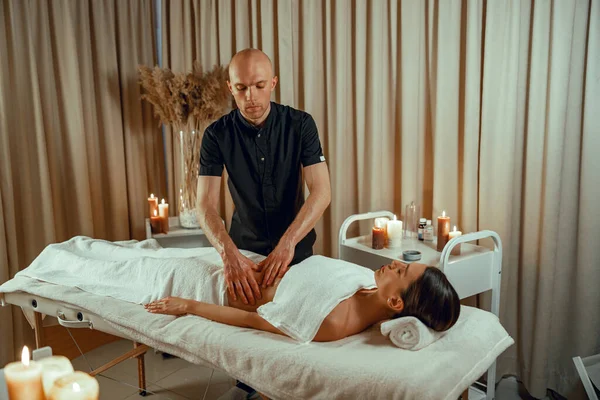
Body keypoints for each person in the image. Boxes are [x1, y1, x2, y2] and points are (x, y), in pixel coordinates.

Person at [196, 48, 331, 310]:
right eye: (241, 88)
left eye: (259, 86)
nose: (251, 97)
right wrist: (228, 253)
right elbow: (205, 205)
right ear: (230, 88)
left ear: (273, 83)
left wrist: (288, 243)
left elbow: (321, 191)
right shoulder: (215, 135)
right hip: (244, 254)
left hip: (296, 252)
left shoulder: (301, 124)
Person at [145, 260, 461, 341]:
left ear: (395, 303)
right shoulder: (366, 282)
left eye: (401, 271)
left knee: (126, 270)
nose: (393, 263)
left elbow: (252, 319)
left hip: (213, 288)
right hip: (240, 267)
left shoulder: (334, 321)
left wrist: (188, 305)